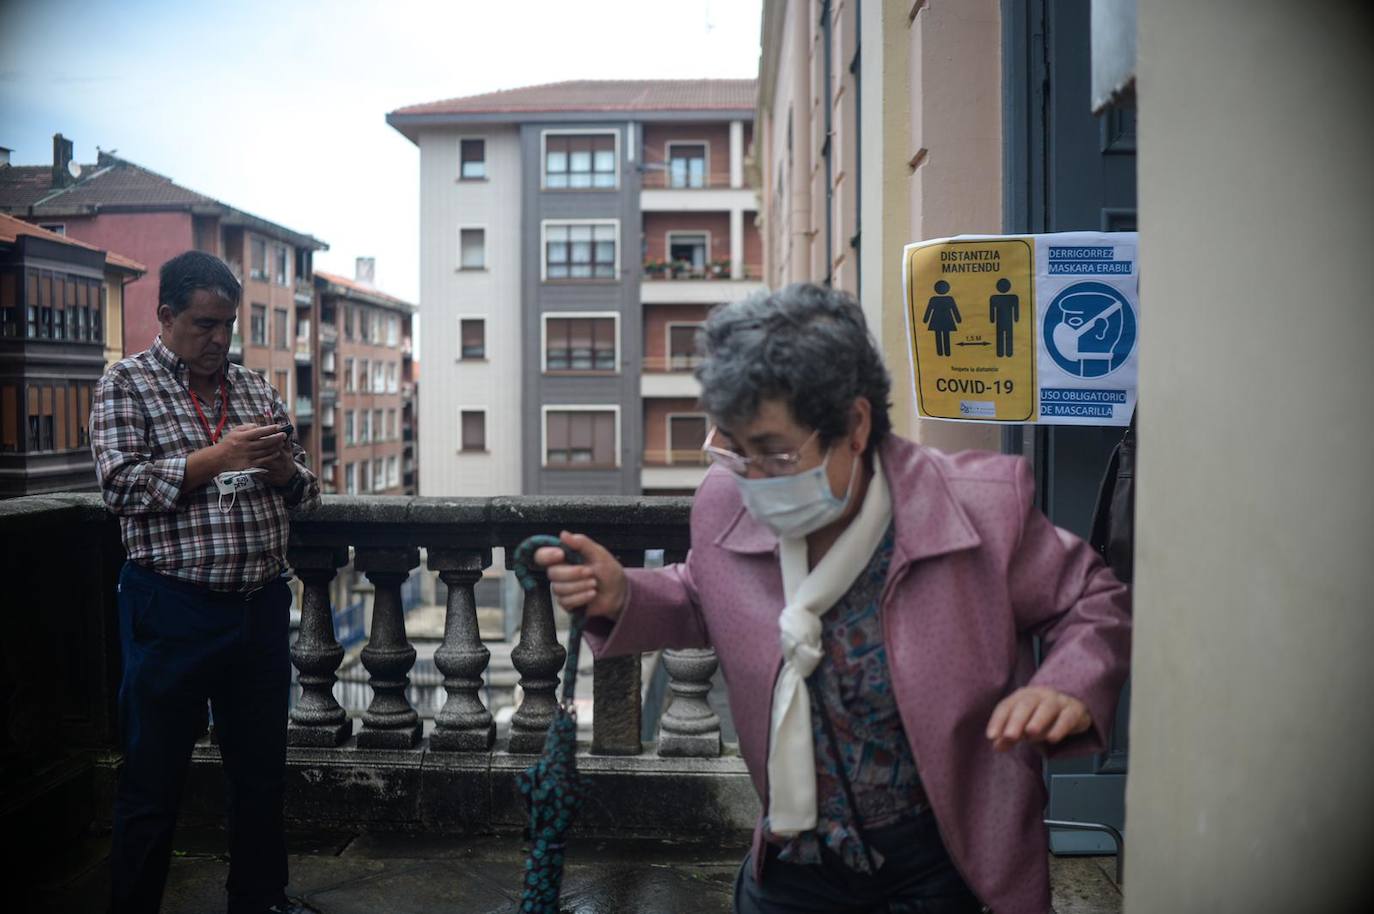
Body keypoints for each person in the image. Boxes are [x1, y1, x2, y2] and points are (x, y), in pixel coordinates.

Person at [537, 283, 1131, 914]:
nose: (750, 476)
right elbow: (704, 593)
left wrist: (1066, 683)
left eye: (773, 451)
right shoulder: (724, 496)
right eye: (732, 447)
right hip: (791, 859)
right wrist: (624, 593)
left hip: (944, 865)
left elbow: (1092, 599)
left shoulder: (979, 506)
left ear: (854, 426)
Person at [90, 250, 320, 914]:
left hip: (260, 606)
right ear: (166, 315)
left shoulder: (254, 389)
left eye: (229, 325)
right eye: (204, 324)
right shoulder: (125, 385)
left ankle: (260, 899)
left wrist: (283, 474)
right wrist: (214, 460)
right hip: (172, 609)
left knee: (260, 774)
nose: (220, 339)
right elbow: (120, 486)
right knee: (152, 780)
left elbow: (307, 495)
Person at [922, 279, 961, 357]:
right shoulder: (949, 299)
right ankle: (946, 352)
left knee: (939, 336)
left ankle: (941, 352)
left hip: (936, 320)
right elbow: (954, 310)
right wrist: (958, 319)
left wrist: (926, 320)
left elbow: (929, 310)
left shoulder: (934, 299)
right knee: (945, 336)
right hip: (947, 320)